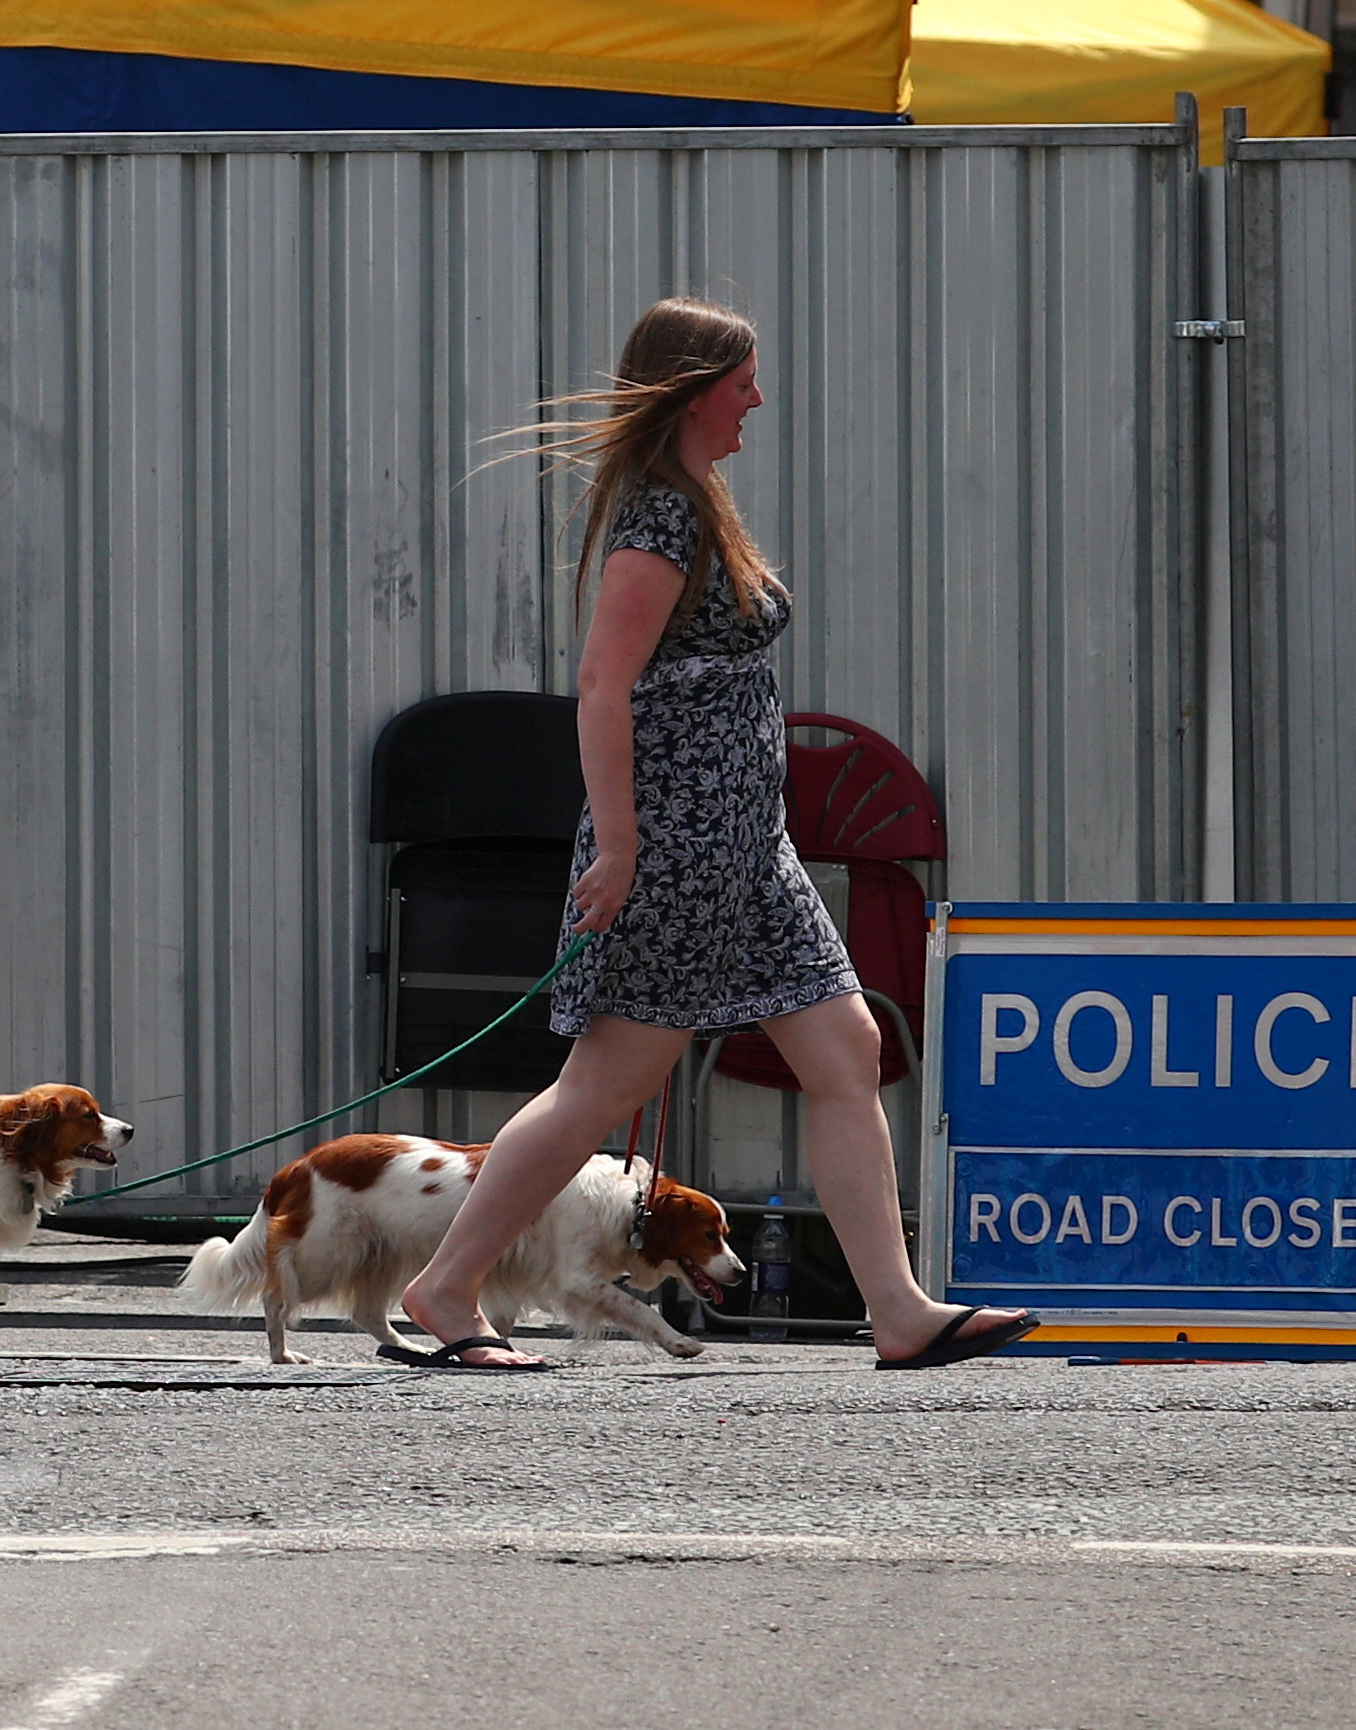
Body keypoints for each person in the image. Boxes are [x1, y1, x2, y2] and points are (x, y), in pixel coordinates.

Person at [386, 296, 1032, 1375]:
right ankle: (447, 1287)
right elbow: (601, 685)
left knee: (848, 1051)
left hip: (747, 848)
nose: (757, 402)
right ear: (693, 392)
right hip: (679, 846)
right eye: (743, 382)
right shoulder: (662, 518)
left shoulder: (697, 499)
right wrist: (624, 846)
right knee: (606, 1086)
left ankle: (899, 1311)